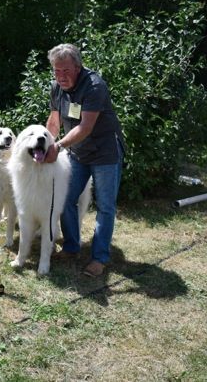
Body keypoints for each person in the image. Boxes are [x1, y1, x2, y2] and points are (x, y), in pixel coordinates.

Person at [43, 43, 125, 277]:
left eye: (66, 71)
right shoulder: (56, 87)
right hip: (78, 152)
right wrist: (46, 144)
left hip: (105, 153)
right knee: (66, 198)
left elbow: (85, 126)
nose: (61, 76)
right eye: (56, 71)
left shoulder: (94, 86)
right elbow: (54, 121)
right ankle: (71, 247)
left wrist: (58, 147)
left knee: (105, 206)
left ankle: (99, 258)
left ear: (78, 67)